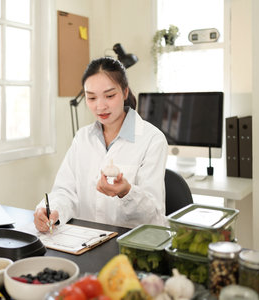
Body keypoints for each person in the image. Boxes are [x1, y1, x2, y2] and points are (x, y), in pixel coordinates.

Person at [34, 57, 168, 232]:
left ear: (125, 92)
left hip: (131, 246)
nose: (100, 106)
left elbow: (154, 216)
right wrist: (51, 211)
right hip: (85, 242)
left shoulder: (152, 139)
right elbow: (65, 191)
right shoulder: (82, 138)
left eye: (110, 96)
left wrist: (126, 192)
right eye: (91, 98)